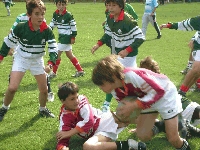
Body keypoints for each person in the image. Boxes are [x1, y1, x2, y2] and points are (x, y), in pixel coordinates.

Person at [92, 54, 191, 150]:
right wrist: (123, 118)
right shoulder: (115, 90)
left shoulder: (131, 75)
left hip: (166, 96)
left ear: (112, 77)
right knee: (143, 135)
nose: (100, 88)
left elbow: (159, 91)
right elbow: (129, 107)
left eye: (102, 84)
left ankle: (181, 135)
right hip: (146, 99)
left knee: (173, 139)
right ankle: (161, 125)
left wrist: (135, 105)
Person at [0, 0, 57, 122]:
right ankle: (4, 108)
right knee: (12, 88)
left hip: (37, 60)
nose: (41, 17)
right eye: (37, 14)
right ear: (29, 15)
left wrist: (51, 63)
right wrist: (1, 57)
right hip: (21, 58)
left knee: (44, 89)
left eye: (42, 14)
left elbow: (53, 48)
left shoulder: (47, 30)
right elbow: (8, 42)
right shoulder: (21, 27)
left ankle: (42, 109)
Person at [56, 81, 146, 150]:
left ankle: (157, 124)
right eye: (72, 99)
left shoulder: (82, 100)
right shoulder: (64, 117)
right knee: (87, 146)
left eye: (76, 97)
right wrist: (62, 147)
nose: (76, 101)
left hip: (104, 120)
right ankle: (129, 145)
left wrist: (71, 132)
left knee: (131, 117)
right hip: (98, 133)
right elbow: (63, 136)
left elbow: (89, 120)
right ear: (63, 101)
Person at [91, 0, 145, 112]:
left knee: (123, 80)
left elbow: (140, 37)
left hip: (128, 56)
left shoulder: (128, 20)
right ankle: (110, 104)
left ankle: (141, 104)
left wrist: (127, 50)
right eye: (108, 5)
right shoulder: (110, 18)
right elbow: (108, 34)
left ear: (121, 7)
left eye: (113, 5)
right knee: (114, 78)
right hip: (117, 53)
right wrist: (98, 44)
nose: (110, 8)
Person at [139, 56, 200, 138]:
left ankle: (186, 127)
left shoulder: (151, 86)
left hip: (185, 109)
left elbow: (150, 113)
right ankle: (189, 129)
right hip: (180, 113)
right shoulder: (163, 79)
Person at [160, 16, 200, 97]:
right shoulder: (198, 20)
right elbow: (184, 24)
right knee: (196, 69)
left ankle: (184, 91)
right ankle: (181, 92)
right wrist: (169, 25)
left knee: (198, 72)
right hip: (199, 46)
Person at [49, 0, 84, 78]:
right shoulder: (55, 14)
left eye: (63, 4)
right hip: (61, 37)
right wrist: (47, 30)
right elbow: (52, 24)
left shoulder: (68, 15)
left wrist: (73, 36)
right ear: (56, 5)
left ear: (66, 5)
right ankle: (80, 70)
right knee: (69, 54)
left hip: (66, 37)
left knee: (57, 53)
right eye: (59, 4)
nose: (61, 6)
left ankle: (53, 73)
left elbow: (73, 26)